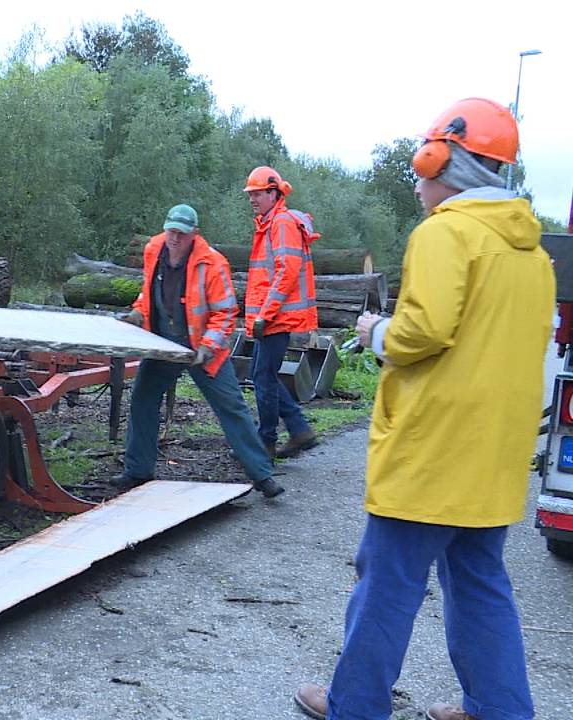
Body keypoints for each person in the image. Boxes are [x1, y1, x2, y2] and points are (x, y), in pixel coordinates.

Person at [293, 98, 552, 720]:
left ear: (443, 159)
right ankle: (498, 708)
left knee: (387, 585)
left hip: (433, 451)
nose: (417, 174)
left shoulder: (445, 234)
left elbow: (420, 335)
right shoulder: (534, 257)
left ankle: (355, 704)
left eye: (422, 158)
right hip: (494, 454)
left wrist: (373, 330)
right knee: (480, 585)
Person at [114, 204, 284, 499]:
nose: (175, 238)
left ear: (194, 234)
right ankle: (137, 471)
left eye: (181, 233)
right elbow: (149, 293)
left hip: (204, 347)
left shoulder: (212, 263)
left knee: (231, 406)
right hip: (165, 342)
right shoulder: (154, 249)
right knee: (142, 399)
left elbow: (226, 312)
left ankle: (263, 475)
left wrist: (207, 347)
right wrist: (138, 314)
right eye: (171, 231)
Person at [242, 165, 320, 460]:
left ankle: (266, 443)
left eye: (258, 193)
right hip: (272, 316)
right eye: (250, 194)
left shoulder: (281, 223)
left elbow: (287, 271)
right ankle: (299, 429)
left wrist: (265, 313)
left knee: (263, 376)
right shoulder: (269, 224)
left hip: (276, 317)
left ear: (273, 193)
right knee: (261, 374)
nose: (252, 198)